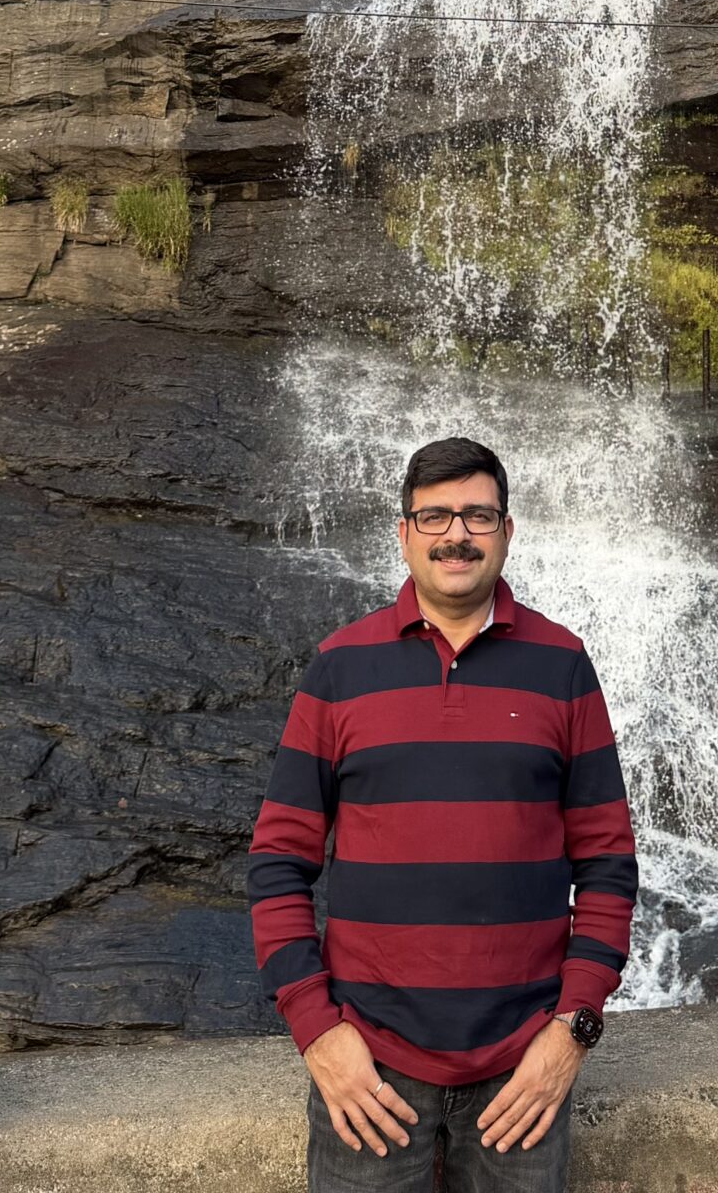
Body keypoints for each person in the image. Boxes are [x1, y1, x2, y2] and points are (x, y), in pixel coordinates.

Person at [249, 435, 637, 1187]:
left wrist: (572, 1033)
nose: (456, 535)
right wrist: (316, 1031)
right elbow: (277, 861)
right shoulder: (339, 667)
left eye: (477, 516)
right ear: (403, 534)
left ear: (507, 531)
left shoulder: (563, 665)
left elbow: (608, 863)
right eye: (434, 517)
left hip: (524, 1073)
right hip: (369, 1070)